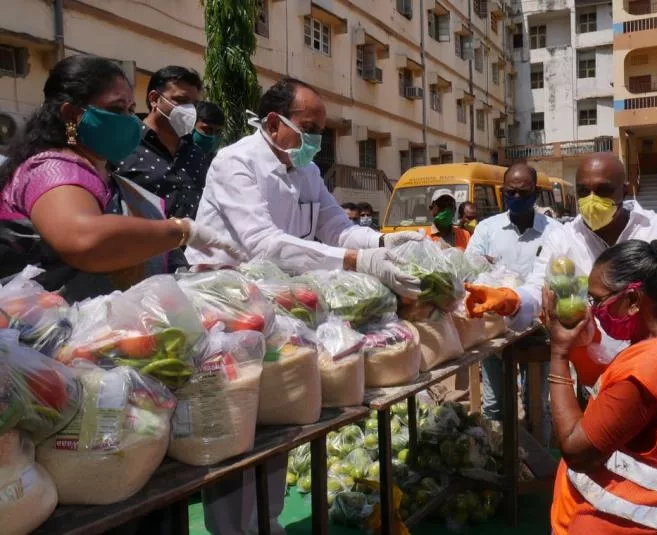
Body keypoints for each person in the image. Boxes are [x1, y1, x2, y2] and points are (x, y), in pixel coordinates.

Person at [187, 77, 421, 535]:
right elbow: (263, 246)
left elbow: (336, 228)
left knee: (279, 420)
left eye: (321, 130)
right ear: (274, 124)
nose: (317, 140)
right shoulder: (234, 163)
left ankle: (267, 523)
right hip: (226, 309)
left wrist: (387, 243)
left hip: (282, 306)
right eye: (308, 128)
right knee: (236, 428)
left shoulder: (307, 171)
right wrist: (358, 259)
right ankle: (229, 531)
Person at [464, 153, 657, 388]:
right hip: (600, 375)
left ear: (624, 191)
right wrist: (513, 300)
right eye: (583, 191)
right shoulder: (563, 238)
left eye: (603, 190)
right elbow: (539, 288)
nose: (592, 201)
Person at [0, 55, 238, 302]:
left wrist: (190, 279)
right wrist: (181, 230)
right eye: (116, 109)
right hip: (43, 330)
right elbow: (86, 241)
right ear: (71, 115)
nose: (129, 120)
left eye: (130, 109)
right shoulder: (52, 171)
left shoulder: (105, 174)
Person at [546, 236, 657, 534]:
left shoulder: (647, 369)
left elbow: (577, 453)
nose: (594, 310)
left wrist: (559, 353)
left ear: (634, 300)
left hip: (618, 523)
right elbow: (621, 403)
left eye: (599, 300)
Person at [465, 163, 560, 437]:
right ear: (502, 192)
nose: (516, 198)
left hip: (538, 328)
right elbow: (471, 268)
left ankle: (538, 464)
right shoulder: (487, 229)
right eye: (510, 192)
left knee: (538, 403)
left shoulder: (553, 231)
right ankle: (500, 461)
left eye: (523, 192)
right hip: (495, 327)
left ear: (536, 193)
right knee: (495, 404)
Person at [116, 66, 208, 220]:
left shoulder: (197, 155)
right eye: (181, 100)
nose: (189, 109)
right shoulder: (122, 144)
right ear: (154, 99)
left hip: (189, 242)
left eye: (195, 104)